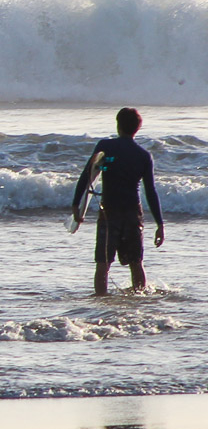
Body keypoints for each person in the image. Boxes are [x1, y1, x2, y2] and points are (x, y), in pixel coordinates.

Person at [72, 107, 164, 294]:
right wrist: (159, 223)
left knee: (103, 264)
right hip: (133, 213)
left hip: (109, 212)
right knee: (136, 263)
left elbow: (87, 176)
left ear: (118, 125)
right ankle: (139, 299)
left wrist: (76, 204)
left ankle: (101, 299)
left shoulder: (105, 146)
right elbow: (150, 192)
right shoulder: (144, 155)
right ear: (137, 128)